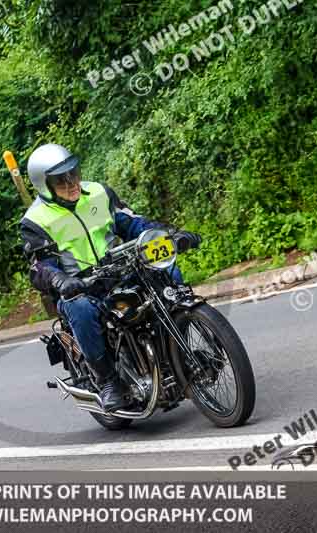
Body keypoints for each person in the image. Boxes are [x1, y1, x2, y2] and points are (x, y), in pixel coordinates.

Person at [20, 144, 201, 411]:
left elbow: (134, 224)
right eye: (61, 180)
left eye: (73, 173)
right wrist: (61, 281)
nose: (71, 183)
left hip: (120, 271)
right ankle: (108, 380)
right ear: (45, 185)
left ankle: (178, 347)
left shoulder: (98, 193)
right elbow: (40, 266)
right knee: (80, 309)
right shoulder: (35, 220)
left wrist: (170, 235)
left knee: (168, 271)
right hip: (81, 287)